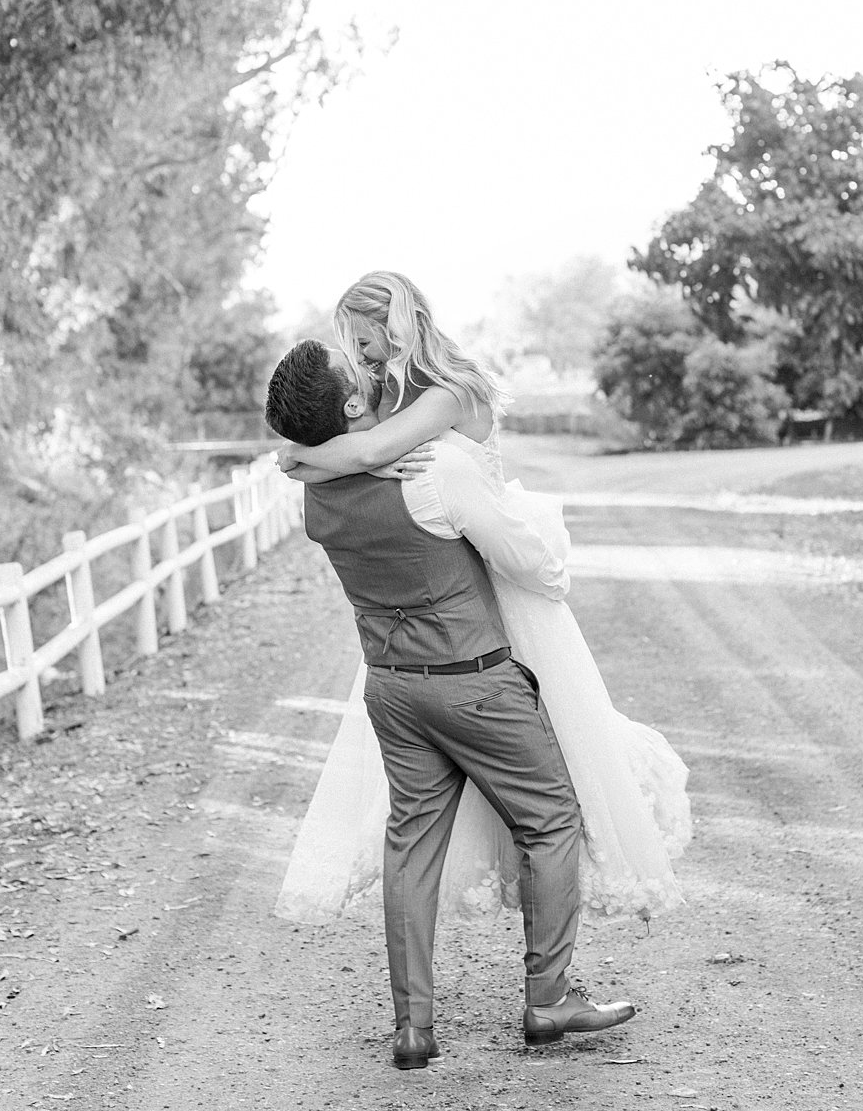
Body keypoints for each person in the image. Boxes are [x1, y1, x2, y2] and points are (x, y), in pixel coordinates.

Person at [264, 335, 639, 1068]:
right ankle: (549, 998)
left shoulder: (316, 494)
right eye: (358, 370)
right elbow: (527, 558)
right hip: (474, 683)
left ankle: (413, 1028)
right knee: (552, 820)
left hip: (392, 688)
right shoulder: (432, 471)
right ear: (349, 404)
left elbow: (323, 460)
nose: (372, 369)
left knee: (410, 848)